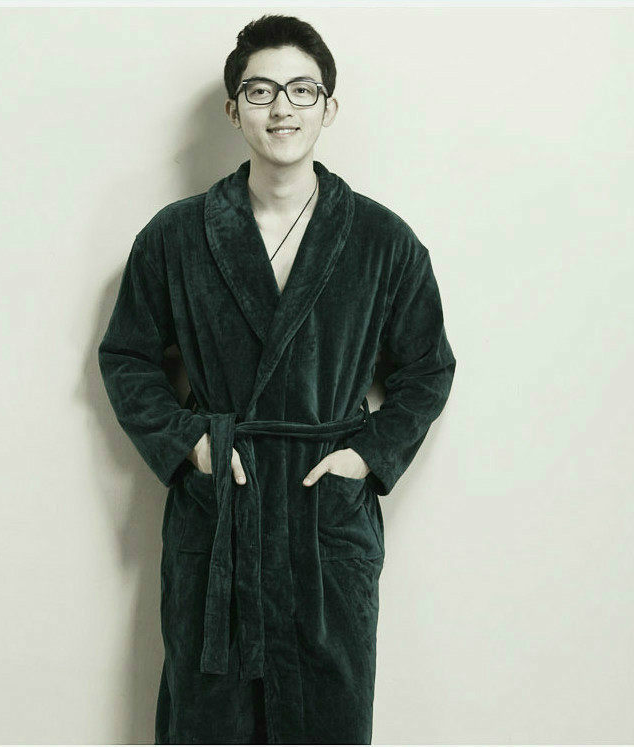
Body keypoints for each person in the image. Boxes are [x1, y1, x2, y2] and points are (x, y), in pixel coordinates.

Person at [98, 13, 456, 745]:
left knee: (326, 719)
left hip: (324, 520)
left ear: (329, 106)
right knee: (208, 718)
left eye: (301, 89)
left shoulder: (383, 242)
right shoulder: (175, 236)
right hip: (222, 510)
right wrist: (190, 443)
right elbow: (127, 356)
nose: (282, 107)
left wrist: (367, 456)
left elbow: (427, 368)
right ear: (235, 110)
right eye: (261, 91)